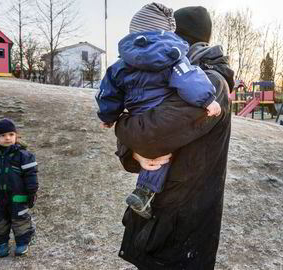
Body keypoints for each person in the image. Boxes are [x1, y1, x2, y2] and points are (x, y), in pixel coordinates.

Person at [113, 5, 234, 269]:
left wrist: (119, 125)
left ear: (180, 39)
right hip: (159, 216)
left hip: (181, 229)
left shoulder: (210, 84)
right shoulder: (165, 77)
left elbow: (149, 135)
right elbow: (143, 137)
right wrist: (132, 154)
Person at [95, 3, 221, 219]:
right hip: (172, 206)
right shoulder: (177, 61)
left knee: (161, 152)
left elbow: (110, 93)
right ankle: (144, 192)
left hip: (181, 207)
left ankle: (143, 193)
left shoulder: (121, 63)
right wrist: (207, 100)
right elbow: (188, 81)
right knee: (162, 154)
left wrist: (111, 118)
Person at [0, 119, 38, 257]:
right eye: (2, 135)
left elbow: (31, 176)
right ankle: (1, 243)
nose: (7, 138)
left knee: (20, 220)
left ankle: (22, 242)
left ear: (16, 135)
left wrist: (31, 193)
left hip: (18, 197)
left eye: (10, 134)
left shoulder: (24, 156)